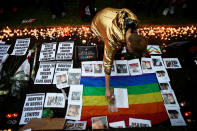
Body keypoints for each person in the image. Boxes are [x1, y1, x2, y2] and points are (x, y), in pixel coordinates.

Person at [91, 8, 147, 99]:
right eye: (131, 50)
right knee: (109, 47)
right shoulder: (112, 38)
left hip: (110, 13)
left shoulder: (135, 22)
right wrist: (107, 89)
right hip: (100, 20)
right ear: (128, 44)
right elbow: (107, 62)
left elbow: (125, 11)